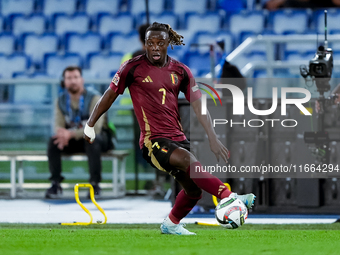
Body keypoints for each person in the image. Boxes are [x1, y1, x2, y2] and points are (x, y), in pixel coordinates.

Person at [84, 22, 255, 235]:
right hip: (152, 141)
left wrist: (212, 136)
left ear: (168, 43)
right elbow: (108, 96)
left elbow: (199, 106)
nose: (155, 47)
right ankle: (228, 196)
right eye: (150, 43)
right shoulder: (131, 67)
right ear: (145, 44)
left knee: (193, 191)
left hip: (178, 138)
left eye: (160, 42)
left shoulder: (181, 71)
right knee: (188, 161)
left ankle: (171, 224)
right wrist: (90, 124)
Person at [45, 66, 113, 199]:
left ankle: (94, 184)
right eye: (69, 78)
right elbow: (57, 126)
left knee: (92, 140)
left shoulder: (95, 98)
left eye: (76, 77)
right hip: (75, 139)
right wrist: (62, 135)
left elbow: (95, 128)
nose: (73, 81)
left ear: (82, 80)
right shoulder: (60, 101)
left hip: (99, 139)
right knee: (53, 142)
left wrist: (69, 134)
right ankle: (55, 183)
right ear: (64, 82)